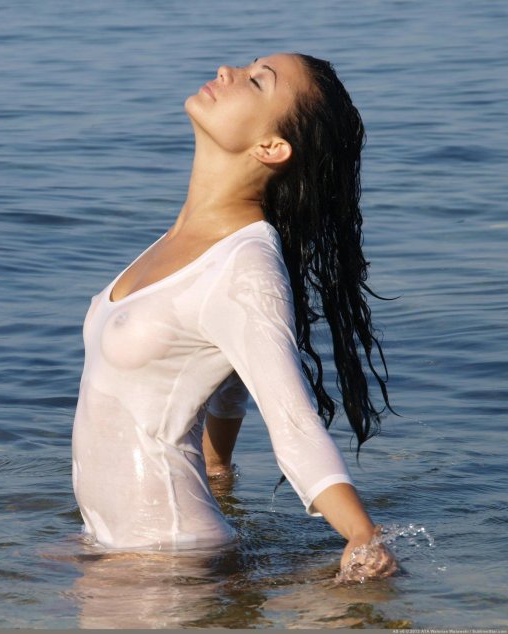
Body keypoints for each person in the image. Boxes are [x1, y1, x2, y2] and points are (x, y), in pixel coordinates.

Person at [71, 53, 398, 580]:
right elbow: (223, 371)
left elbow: (293, 424)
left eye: (256, 80)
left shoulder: (245, 265)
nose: (226, 70)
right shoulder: (185, 241)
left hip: (166, 563)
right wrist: (218, 467)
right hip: (117, 547)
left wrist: (364, 536)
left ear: (272, 148)